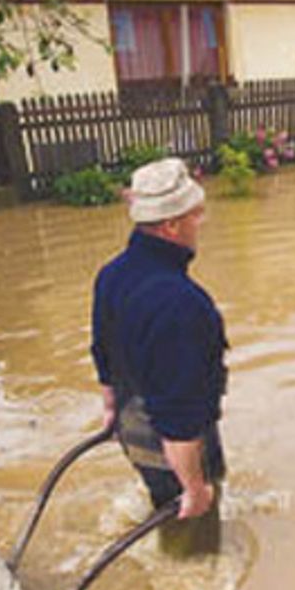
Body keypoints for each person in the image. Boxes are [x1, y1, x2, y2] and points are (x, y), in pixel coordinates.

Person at [90, 157, 228, 556]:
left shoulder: (112, 273)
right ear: (171, 225)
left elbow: (103, 349)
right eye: (195, 214)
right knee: (196, 532)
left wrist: (110, 408)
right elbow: (180, 418)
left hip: (132, 424)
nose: (201, 220)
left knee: (164, 505)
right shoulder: (182, 304)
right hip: (171, 437)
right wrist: (196, 487)